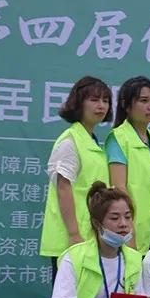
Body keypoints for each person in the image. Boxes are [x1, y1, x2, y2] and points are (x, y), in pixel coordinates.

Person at [41, 76, 113, 272]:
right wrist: (74, 234)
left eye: (105, 100)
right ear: (79, 103)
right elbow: (63, 188)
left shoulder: (91, 141)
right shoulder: (70, 140)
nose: (101, 106)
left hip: (89, 235)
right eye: (94, 100)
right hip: (72, 238)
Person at [106, 76, 150, 253]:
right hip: (129, 229)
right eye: (144, 101)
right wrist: (129, 232)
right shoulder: (118, 137)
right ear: (126, 105)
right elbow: (119, 188)